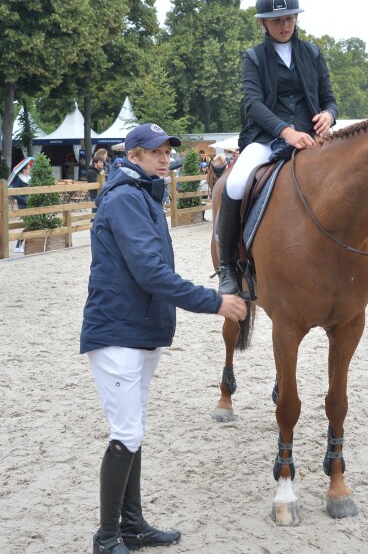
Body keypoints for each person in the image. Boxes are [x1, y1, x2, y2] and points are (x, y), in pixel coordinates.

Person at [80, 123, 247, 554]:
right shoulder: (126, 199)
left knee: (133, 431)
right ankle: (105, 536)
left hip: (141, 330)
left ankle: (132, 526)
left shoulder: (145, 195)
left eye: (166, 150)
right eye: (154, 151)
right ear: (133, 155)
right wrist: (215, 302)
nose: (164, 157)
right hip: (118, 330)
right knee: (126, 432)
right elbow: (151, 273)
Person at [216, 0, 368, 298]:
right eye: (276, 21)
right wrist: (285, 131)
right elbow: (253, 104)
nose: (284, 25)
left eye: (289, 18)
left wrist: (329, 114)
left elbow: (329, 98)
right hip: (267, 138)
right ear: (263, 23)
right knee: (235, 183)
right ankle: (229, 266)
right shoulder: (254, 58)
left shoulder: (312, 52)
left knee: (358, 180)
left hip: (314, 138)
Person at [10, 160, 33, 253]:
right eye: (28, 168)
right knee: (28, 224)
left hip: (32, 203)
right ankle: (18, 245)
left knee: (31, 224)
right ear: (23, 170)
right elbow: (14, 194)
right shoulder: (18, 179)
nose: (30, 170)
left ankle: (26, 244)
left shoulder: (30, 178)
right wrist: (25, 200)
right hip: (23, 204)